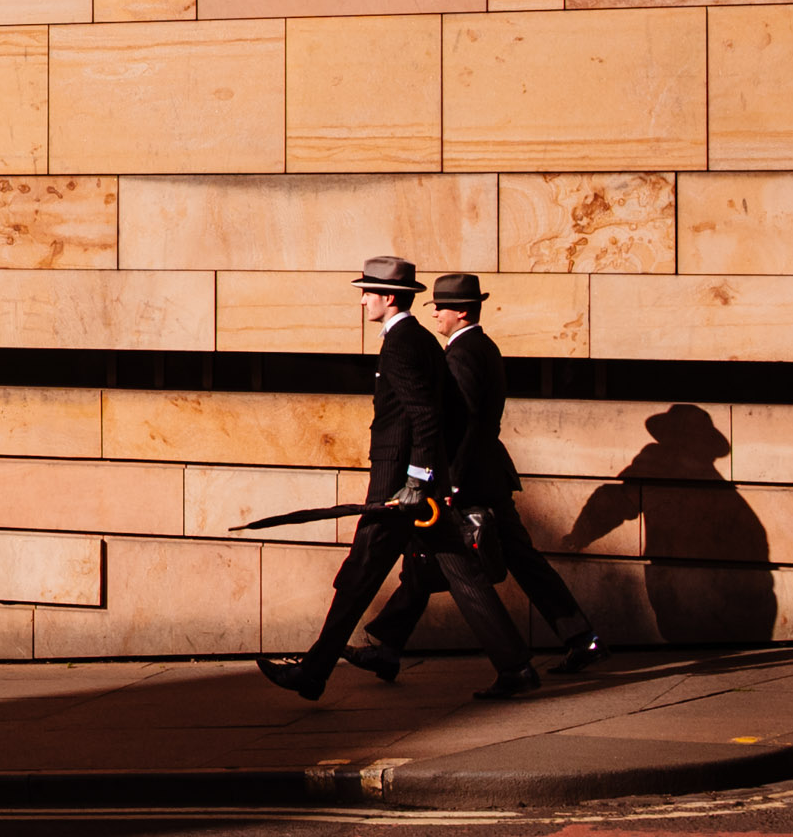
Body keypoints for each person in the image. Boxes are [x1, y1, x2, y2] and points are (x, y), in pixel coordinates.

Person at [255, 257, 542, 701]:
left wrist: (416, 480)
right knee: (463, 576)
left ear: (389, 297)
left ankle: (313, 672)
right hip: (418, 489)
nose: (364, 300)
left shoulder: (402, 344)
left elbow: (426, 417)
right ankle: (516, 667)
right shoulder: (422, 340)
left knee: (360, 576)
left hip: (399, 490)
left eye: (368, 292)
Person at [347, 273, 609, 679]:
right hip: (486, 474)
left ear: (462, 311)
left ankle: (572, 640)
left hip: (471, 479)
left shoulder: (463, 354)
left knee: (468, 557)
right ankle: (388, 646)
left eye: (442, 306)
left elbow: (463, 425)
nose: (434, 312)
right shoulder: (481, 346)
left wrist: (450, 482)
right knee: (436, 557)